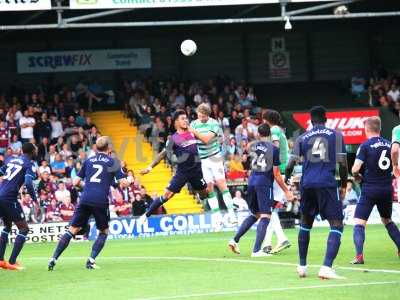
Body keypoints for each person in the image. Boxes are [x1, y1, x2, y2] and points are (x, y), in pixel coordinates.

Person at [285, 106, 348, 280]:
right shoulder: (336, 135)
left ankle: (302, 266)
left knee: (305, 223)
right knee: (336, 224)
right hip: (326, 183)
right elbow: (342, 164)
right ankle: (326, 267)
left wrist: (287, 180)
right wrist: (343, 185)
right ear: (325, 119)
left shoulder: (302, 137)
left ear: (311, 121)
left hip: (307, 184)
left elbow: (290, 165)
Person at [48, 136, 128, 270]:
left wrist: (89, 187)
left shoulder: (88, 160)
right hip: (100, 200)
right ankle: (91, 261)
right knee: (103, 231)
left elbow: (75, 183)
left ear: (96, 147)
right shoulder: (113, 162)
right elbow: (123, 183)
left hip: (85, 198)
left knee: (72, 230)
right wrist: (130, 179)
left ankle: (53, 259)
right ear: (109, 148)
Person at [228, 124, 293, 257]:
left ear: (258, 134)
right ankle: (257, 250)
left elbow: (246, 154)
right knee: (265, 216)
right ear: (270, 134)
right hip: (264, 183)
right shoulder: (274, 149)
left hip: (251, 181)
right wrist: (286, 190)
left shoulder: (253, 146)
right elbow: (276, 174)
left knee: (254, 214)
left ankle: (234, 240)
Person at [138, 110, 208, 225]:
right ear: (176, 122)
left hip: (196, 171)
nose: (186, 120)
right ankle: (146, 215)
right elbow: (163, 154)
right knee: (167, 195)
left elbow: (206, 140)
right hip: (183, 172)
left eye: (186, 118)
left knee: (204, 195)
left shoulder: (193, 132)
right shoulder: (174, 138)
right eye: (182, 118)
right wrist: (149, 167)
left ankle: (203, 199)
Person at [351, 117, 400, 264]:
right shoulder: (388, 144)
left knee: (359, 223)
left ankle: (359, 255)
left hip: (370, 189)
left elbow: (355, 168)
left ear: (367, 129)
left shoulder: (365, 145)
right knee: (387, 220)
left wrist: (356, 176)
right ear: (379, 129)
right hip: (386, 188)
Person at [190, 103, 237, 228]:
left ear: (207, 115)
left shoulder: (214, 123)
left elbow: (206, 139)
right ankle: (217, 218)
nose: (200, 118)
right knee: (209, 187)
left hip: (215, 157)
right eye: (199, 115)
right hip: (203, 160)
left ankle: (232, 214)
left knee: (222, 184)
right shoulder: (194, 124)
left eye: (203, 116)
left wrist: (193, 132)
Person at [0, 143, 38, 271]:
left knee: (7, 226)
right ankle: (11, 262)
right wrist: (35, 199)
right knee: (24, 229)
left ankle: (1, 260)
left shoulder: (12, 160)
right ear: (32, 151)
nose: (37, 150)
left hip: (1, 194)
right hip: (9, 198)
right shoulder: (28, 164)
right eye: (36, 149)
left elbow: (1, 171)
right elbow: (28, 182)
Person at [262, 110, 291, 254]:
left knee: (268, 208)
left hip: (278, 171)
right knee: (270, 209)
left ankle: (281, 239)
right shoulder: (279, 130)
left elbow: (275, 146)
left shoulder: (273, 130)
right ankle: (267, 244)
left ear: (266, 120)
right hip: (284, 170)